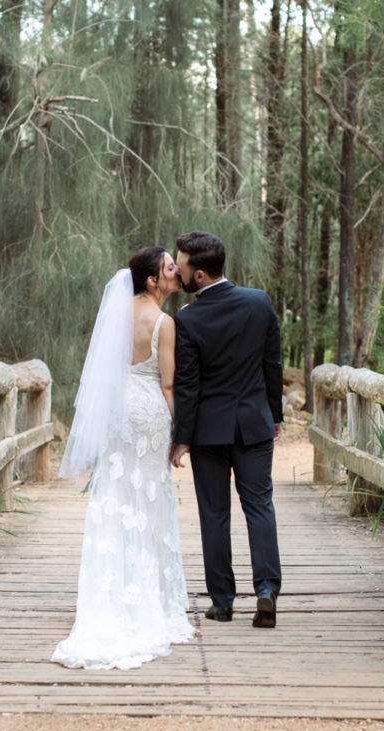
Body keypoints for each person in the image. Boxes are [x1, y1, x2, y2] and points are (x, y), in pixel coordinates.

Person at [52, 247, 195, 669]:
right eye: (169, 267)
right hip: (149, 412)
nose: (176, 271)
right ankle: (147, 597)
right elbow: (168, 385)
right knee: (149, 499)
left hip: (117, 412)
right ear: (153, 281)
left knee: (116, 496)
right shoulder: (164, 323)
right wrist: (181, 434)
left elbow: (106, 369)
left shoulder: (116, 315)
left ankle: (112, 590)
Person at [169, 231, 284, 629]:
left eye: (181, 265)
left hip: (208, 432)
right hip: (253, 423)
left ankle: (222, 602)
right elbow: (273, 364)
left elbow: (187, 384)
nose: (177, 269)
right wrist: (276, 416)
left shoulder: (187, 319)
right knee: (259, 506)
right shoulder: (259, 302)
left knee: (214, 514)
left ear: (198, 275)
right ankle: (267, 591)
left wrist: (181, 438)